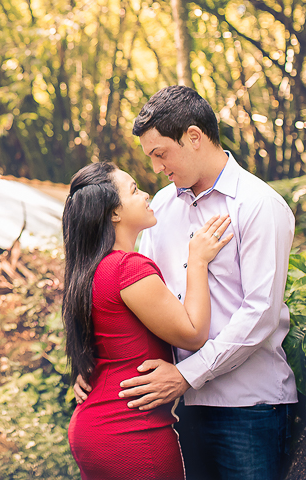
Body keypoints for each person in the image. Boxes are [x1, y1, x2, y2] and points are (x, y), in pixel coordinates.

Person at [105, 85, 298, 480]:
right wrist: (95, 368)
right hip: (185, 406)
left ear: (194, 137)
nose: (156, 167)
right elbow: (147, 302)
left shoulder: (258, 205)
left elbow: (260, 312)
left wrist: (186, 374)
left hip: (250, 407)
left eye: (161, 153)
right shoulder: (160, 207)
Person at [63, 161, 234, 480]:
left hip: (94, 426)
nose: (145, 194)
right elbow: (193, 333)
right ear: (114, 213)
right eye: (133, 190)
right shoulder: (127, 268)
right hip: (130, 431)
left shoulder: (90, 269)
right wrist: (197, 260)